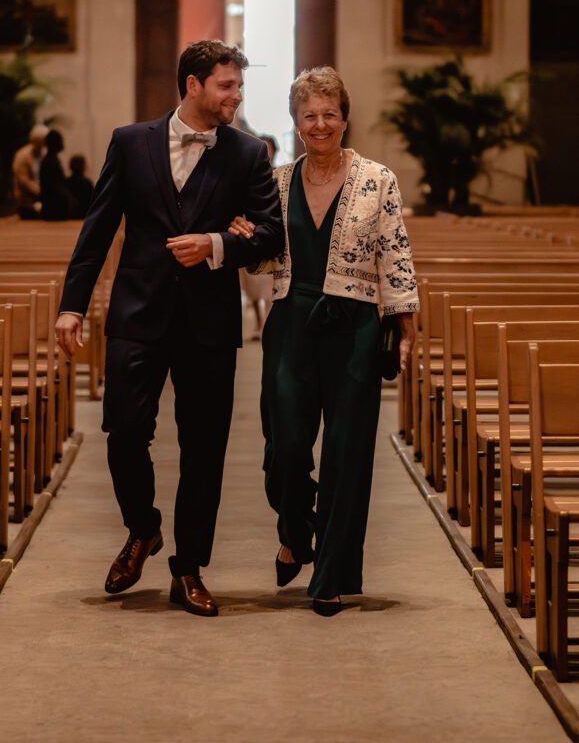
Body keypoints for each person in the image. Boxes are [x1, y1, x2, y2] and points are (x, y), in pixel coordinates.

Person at [55, 39, 284, 617]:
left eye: (239, 85)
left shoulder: (249, 154)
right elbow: (98, 227)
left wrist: (216, 244)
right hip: (138, 313)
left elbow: (271, 234)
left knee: (203, 448)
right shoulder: (131, 143)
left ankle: (189, 569)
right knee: (124, 428)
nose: (237, 96)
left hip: (208, 321)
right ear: (193, 84)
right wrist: (73, 304)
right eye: (227, 85)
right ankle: (143, 527)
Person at [231, 67, 418, 617]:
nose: (320, 124)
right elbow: (267, 258)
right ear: (295, 121)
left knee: (346, 453)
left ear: (344, 117)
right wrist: (245, 241)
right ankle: (295, 530)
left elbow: (396, 251)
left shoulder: (377, 179)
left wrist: (405, 321)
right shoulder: (276, 182)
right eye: (309, 115)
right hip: (291, 323)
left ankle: (331, 575)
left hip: (355, 326)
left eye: (329, 114)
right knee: (285, 448)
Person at [239, 133, 279, 339]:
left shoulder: (278, 175)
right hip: (247, 234)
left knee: (267, 287)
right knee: (252, 288)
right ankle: (258, 321)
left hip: (268, 235)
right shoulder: (244, 175)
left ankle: (266, 324)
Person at [39, 130, 77, 221]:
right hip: (53, 207)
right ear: (54, 143)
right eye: (60, 141)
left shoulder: (51, 160)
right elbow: (54, 185)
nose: (62, 143)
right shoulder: (50, 162)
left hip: (52, 206)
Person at [12, 124, 48, 219]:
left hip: (43, 197)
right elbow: (23, 179)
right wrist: (40, 192)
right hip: (26, 201)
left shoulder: (45, 153)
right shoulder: (22, 155)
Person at [65, 154, 94, 219]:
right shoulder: (88, 183)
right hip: (85, 217)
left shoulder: (66, 182)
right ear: (83, 166)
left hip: (69, 218)